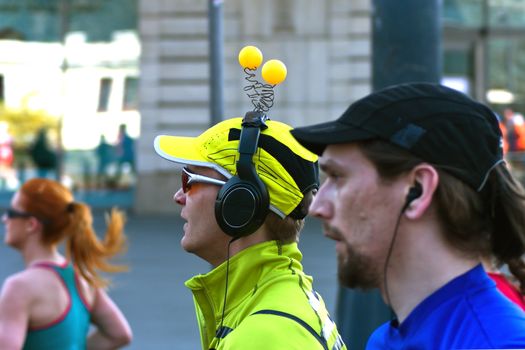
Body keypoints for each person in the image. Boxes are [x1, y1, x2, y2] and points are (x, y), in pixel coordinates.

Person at [290, 82, 525, 349]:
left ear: (418, 189)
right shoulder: (384, 340)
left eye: (338, 177)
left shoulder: (499, 344)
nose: (317, 207)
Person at [154, 113, 346, 349]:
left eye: (189, 180)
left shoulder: (263, 335)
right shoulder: (278, 304)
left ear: (240, 201)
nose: (179, 196)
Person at [0, 178, 132, 349]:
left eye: (11, 213)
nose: (4, 219)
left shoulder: (19, 288)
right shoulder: (83, 279)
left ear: (31, 224)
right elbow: (119, 334)